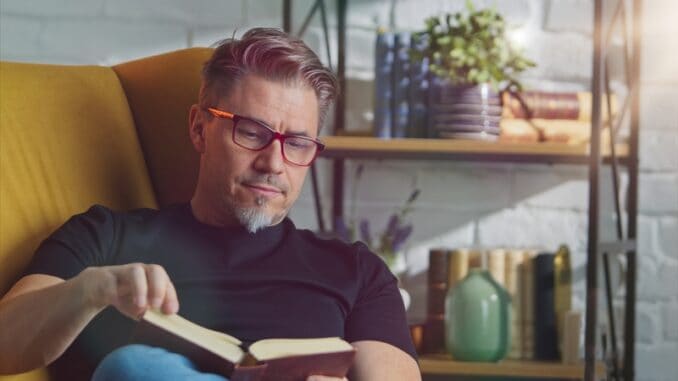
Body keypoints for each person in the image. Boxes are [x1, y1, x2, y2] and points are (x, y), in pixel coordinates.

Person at [0, 28, 421, 381]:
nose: (274, 163)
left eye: (297, 143)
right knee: (136, 368)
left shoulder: (357, 273)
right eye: (252, 133)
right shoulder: (105, 237)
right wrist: (92, 290)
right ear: (200, 129)